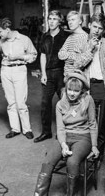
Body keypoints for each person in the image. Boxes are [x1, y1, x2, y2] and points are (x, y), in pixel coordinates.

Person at [34, 70, 99, 196]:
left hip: (83, 137)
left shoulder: (88, 100)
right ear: (66, 88)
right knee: (48, 161)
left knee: (72, 162)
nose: (72, 93)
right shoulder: (60, 104)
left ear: (81, 91)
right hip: (64, 136)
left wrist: (94, 145)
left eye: (76, 90)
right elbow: (60, 128)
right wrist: (63, 144)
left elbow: (93, 123)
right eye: (70, 89)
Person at [75, 12, 105, 156]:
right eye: (94, 26)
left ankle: (97, 155)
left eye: (100, 28)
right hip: (86, 88)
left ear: (103, 30)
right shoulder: (82, 43)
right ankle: (84, 152)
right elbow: (77, 65)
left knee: (100, 125)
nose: (96, 30)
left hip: (103, 88)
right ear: (89, 25)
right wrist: (90, 49)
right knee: (85, 123)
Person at [0, 17, 37, 140]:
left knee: (21, 102)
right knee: (10, 102)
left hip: (19, 70)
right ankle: (15, 129)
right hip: (5, 71)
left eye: (0, 31)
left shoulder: (24, 39)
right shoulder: (1, 42)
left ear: (7, 29)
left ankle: (27, 129)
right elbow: (2, 55)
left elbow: (33, 55)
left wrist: (20, 57)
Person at [34, 10, 69, 143]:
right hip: (48, 73)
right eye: (50, 18)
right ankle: (46, 132)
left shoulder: (65, 36)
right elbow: (42, 55)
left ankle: (66, 132)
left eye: (55, 19)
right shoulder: (44, 36)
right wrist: (43, 73)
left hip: (61, 73)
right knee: (45, 103)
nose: (52, 21)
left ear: (60, 21)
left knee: (66, 103)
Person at [58, 11, 89, 76]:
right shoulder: (70, 37)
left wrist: (67, 56)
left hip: (79, 76)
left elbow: (83, 60)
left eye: (73, 20)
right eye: (69, 20)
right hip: (67, 75)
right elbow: (60, 54)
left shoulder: (85, 37)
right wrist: (74, 55)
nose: (70, 22)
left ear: (80, 21)